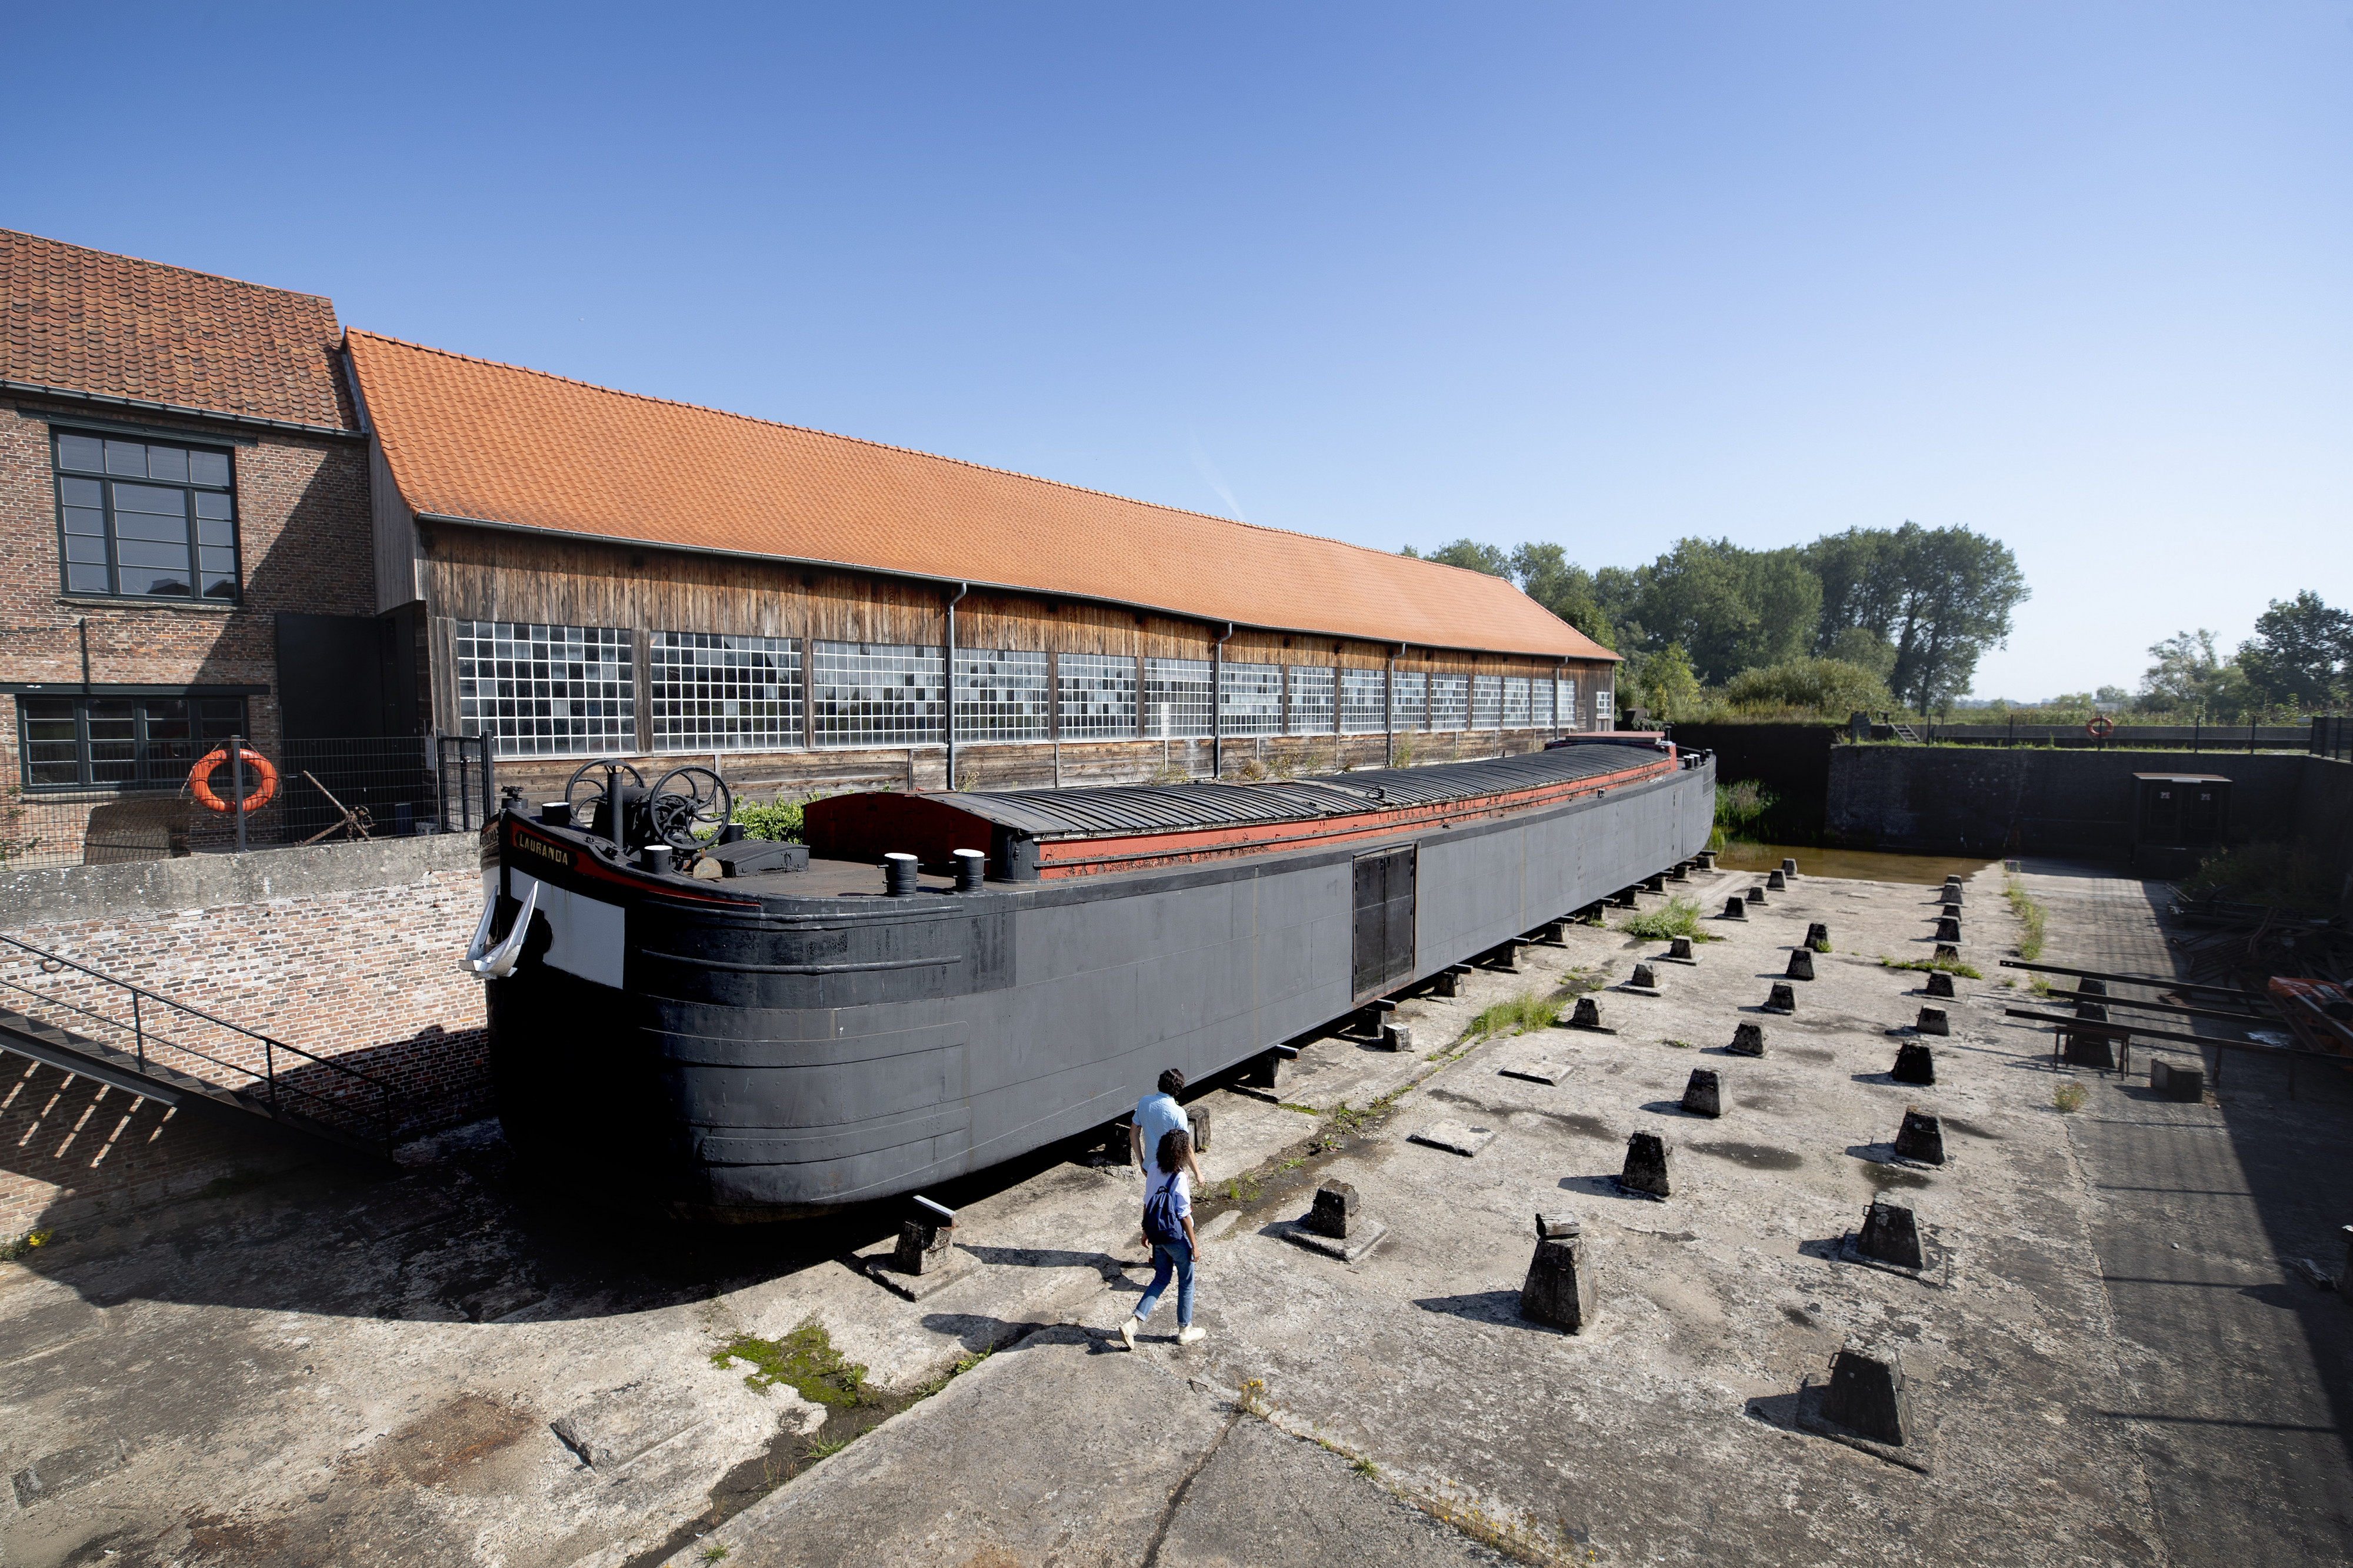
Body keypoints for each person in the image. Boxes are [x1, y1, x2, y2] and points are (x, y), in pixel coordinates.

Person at [1119, 1127, 1204, 1349]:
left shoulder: (1154, 1169)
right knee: (1186, 1282)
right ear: (1181, 1153)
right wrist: (1194, 1245)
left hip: (1158, 1235)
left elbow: (1148, 1202)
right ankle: (1185, 1330)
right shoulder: (1179, 1177)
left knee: (1161, 1279)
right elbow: (1184, 1214)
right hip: (1176, 1238)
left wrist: (1146, 1230)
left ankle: (1132, 1324)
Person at [1131, 1068, 1204, 1187]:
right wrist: (1198, 1173)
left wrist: (1142, 1162)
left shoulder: (1144, 1102)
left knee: (1152, 1201)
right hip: (1171, 1170)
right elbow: (1186, 1146)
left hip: (1150, 1167)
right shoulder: (1178, 1113)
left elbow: (1133, 1134)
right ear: (1179, 1089)